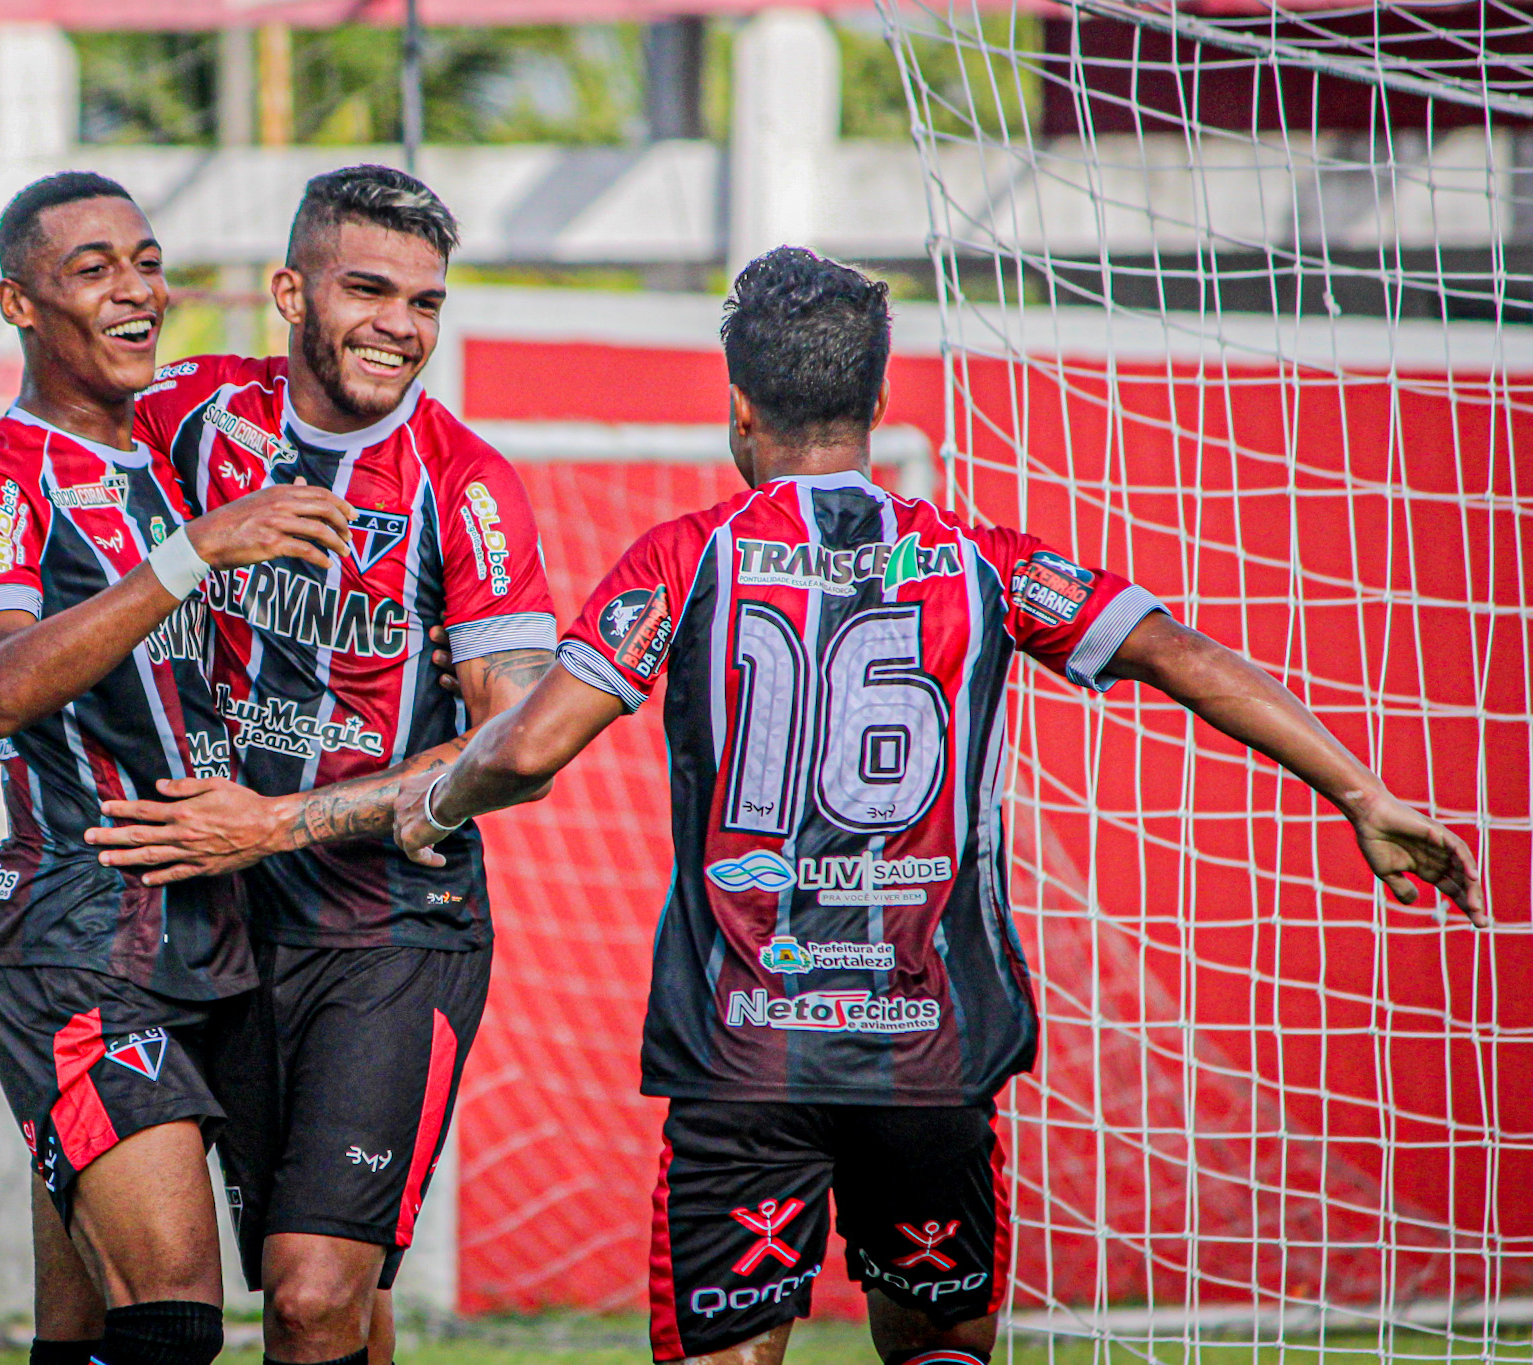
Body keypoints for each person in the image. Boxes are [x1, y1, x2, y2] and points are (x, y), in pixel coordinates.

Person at [389, 248, 1487, 1365]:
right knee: (938, 1350)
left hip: (745, 1053)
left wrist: (425, 809)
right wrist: (1358, 790)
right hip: (926, 1046)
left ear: (736, 409)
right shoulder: (982, 560)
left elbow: (527, 751)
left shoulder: (685, 558)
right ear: (874, 401)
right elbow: (1181, 655)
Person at [0, 165, 556, 1365]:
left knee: (312, 1299)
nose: (397, 328)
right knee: (113, 1298)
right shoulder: (190, 413)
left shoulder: (471, 489)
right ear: (288, 293)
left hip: (385, 922)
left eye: (424, 303)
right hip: (196, 911)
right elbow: (47, 436)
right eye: (367, 291)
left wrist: (280, 824)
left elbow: (515, 747)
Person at [0, 171, 357, 1365]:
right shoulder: (1, 472)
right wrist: (193, 553)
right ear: (18, 305)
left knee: (254, 1301)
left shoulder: (168, 449)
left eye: (147, 261)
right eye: (92, 270)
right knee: (172, 1315)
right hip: (78, 930)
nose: (137, 292)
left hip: (216, 925)